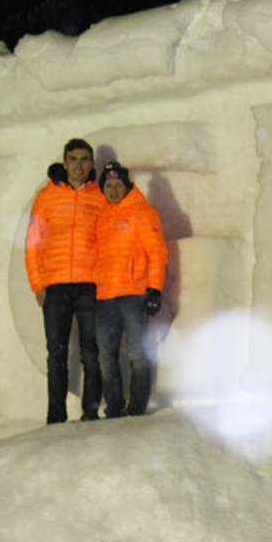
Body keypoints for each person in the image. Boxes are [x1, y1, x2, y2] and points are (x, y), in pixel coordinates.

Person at [25, 138, 106, 424]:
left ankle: (90, 412)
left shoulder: (100, 196)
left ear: (91, 163)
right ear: (65, 161)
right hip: (55, 286)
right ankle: (55, 417)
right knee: (56, 354)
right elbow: (33, 244)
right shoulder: (46, 197)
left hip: (90, 284)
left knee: (91, 351)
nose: (79, 165)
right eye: (74, 159)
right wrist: (38, 285)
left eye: (85, 159)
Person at [92, 160, 168, 418]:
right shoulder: (101, 217)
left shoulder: (143, 212)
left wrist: (154, 289)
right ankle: (113, 407)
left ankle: (136, 407)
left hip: (134, 295)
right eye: (109, 185)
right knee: (106, 356)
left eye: (117, 184)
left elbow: (157, 252)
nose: (113, 189)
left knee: (137, 353)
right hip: (104, 297)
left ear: (127, 186)